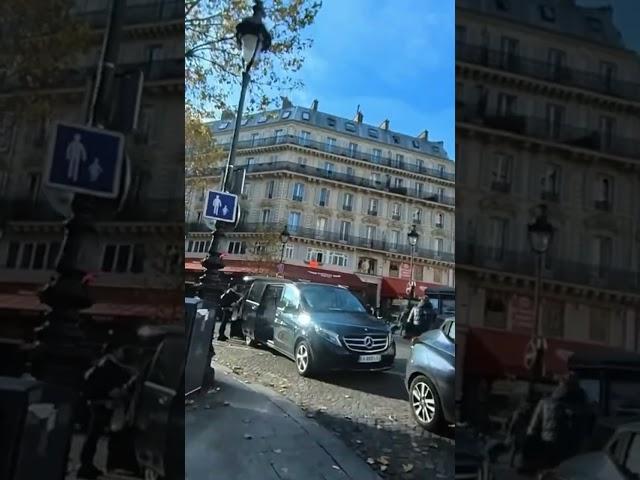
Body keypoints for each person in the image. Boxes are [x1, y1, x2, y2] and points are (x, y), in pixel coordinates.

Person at [78, 344, 137, 479]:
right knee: (94, 436)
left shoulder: (105, 364)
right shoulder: (109, 367)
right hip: (102, 404)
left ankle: (87, 465)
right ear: (114, 351)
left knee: (93, 436)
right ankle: (86, 465)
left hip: (99, 403)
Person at [523, 374, 591, 472]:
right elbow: (587, 432)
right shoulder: (582, 406)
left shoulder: (546, 402)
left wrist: (528, 454)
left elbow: (532, 429)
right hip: (570, 450)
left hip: (548, 447)